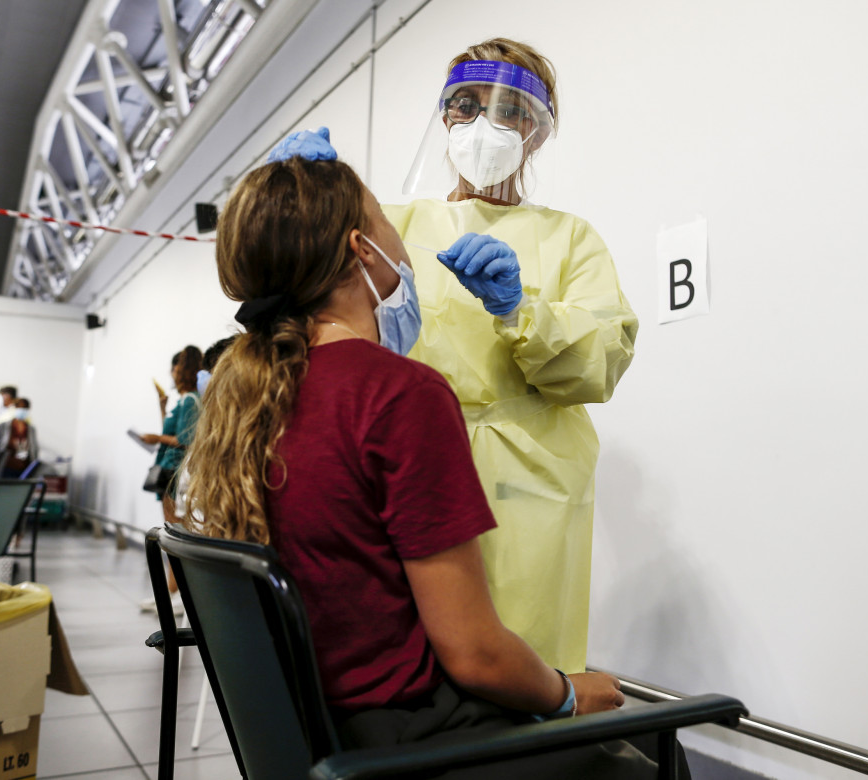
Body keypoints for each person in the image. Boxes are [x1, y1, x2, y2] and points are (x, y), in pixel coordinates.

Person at [180, 156, 655, 777]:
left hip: (318, 729)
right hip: (412, 737)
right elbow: (477, 656)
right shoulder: (402, 395)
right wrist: (568, 694)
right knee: (651, 755)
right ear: (364, 250)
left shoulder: (246, 399)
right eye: (386, 218)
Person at [269, 38, 638, 677]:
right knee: (409, 657)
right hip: (404, 465)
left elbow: (599, 363)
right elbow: (302, 303)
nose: (483, 124)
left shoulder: (570, 239)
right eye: (465, 105)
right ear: (445, 117)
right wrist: (295, 197)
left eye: (510, 111)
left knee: (524, 658)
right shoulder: (390, 223)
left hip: (532, 483)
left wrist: (520, 309)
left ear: (537, 132)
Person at [139, 346, 202, 613]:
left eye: (175, 368)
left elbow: (185, 440)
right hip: (170, 471)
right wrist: (163, 409)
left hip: (175, 473)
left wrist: (155, 438)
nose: (172, 373)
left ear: (183, 369)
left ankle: (177, 595)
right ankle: (171, 592)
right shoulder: (184, 400)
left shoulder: (190, 401)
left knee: (175, 534)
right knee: (173, 533)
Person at [0, 397, 38, 478]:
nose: (22, 410)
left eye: (25, 408)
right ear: (15, 408)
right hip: (5, 467)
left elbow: (34, 448)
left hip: (24, 467)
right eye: (19, 407)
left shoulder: (31, 429)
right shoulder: (4, 426)